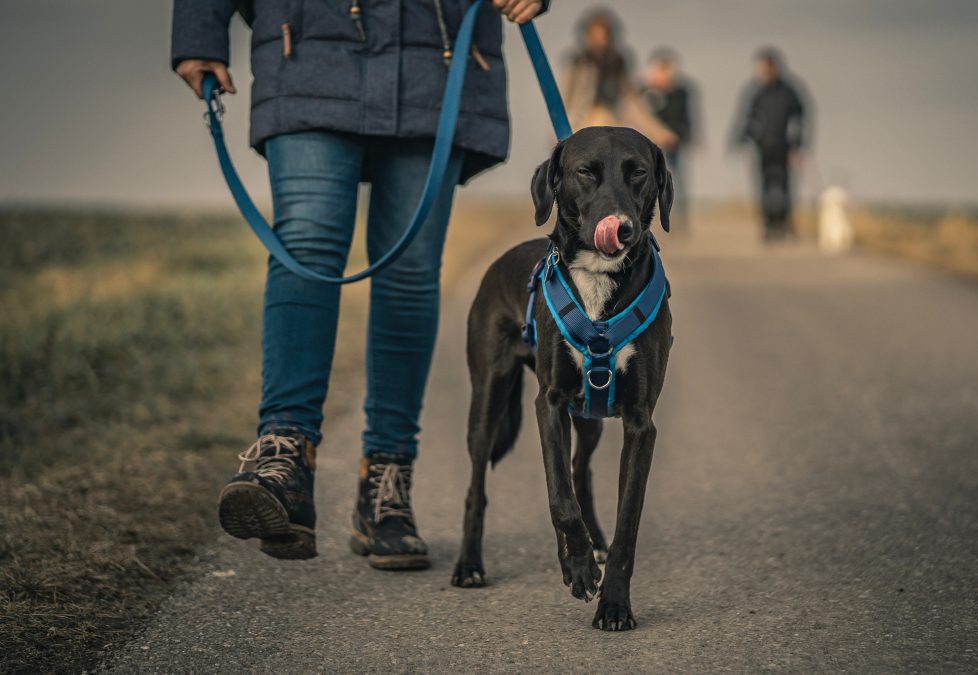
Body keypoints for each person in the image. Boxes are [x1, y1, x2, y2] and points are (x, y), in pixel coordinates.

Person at [171, 0, 546, 571]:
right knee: (305, 245)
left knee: (411, 272)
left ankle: (386, 484)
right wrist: (199, 27)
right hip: (307, 44)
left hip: (435, 55)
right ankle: (284, 458)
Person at [561, 8, 676, 150]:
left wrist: (658, 132)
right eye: (594, 36)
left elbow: (632, 102)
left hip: (612, 122)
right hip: (582, 124)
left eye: (602, 36)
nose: (599, 41)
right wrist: (560, 134)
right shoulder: (577, 64)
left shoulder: (617, 63)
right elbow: (564, 98)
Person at [730, 46, 811, 241]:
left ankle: (784, 224)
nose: (760, 71)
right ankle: (768, 225)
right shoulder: (756, 91)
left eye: (763, 67)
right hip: (762, 147)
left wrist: (798, 145)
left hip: (784, 148)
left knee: (784, 187)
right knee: (764, 187)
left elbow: (800, 118)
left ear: (773, 66)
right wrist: (741, 137)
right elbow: (748, 117)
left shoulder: (789, 91)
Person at [641, 48, 696, 228]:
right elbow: (639, 116)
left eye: (668, 70)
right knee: (645, 181)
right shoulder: (644, 91)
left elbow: (687, 117)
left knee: (676, 181)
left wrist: (685, 137)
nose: (665, 74)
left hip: (673, 144)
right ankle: (647, 218)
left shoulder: (681, 92)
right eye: (661, 69)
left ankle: (678, 221)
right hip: (649, 144)